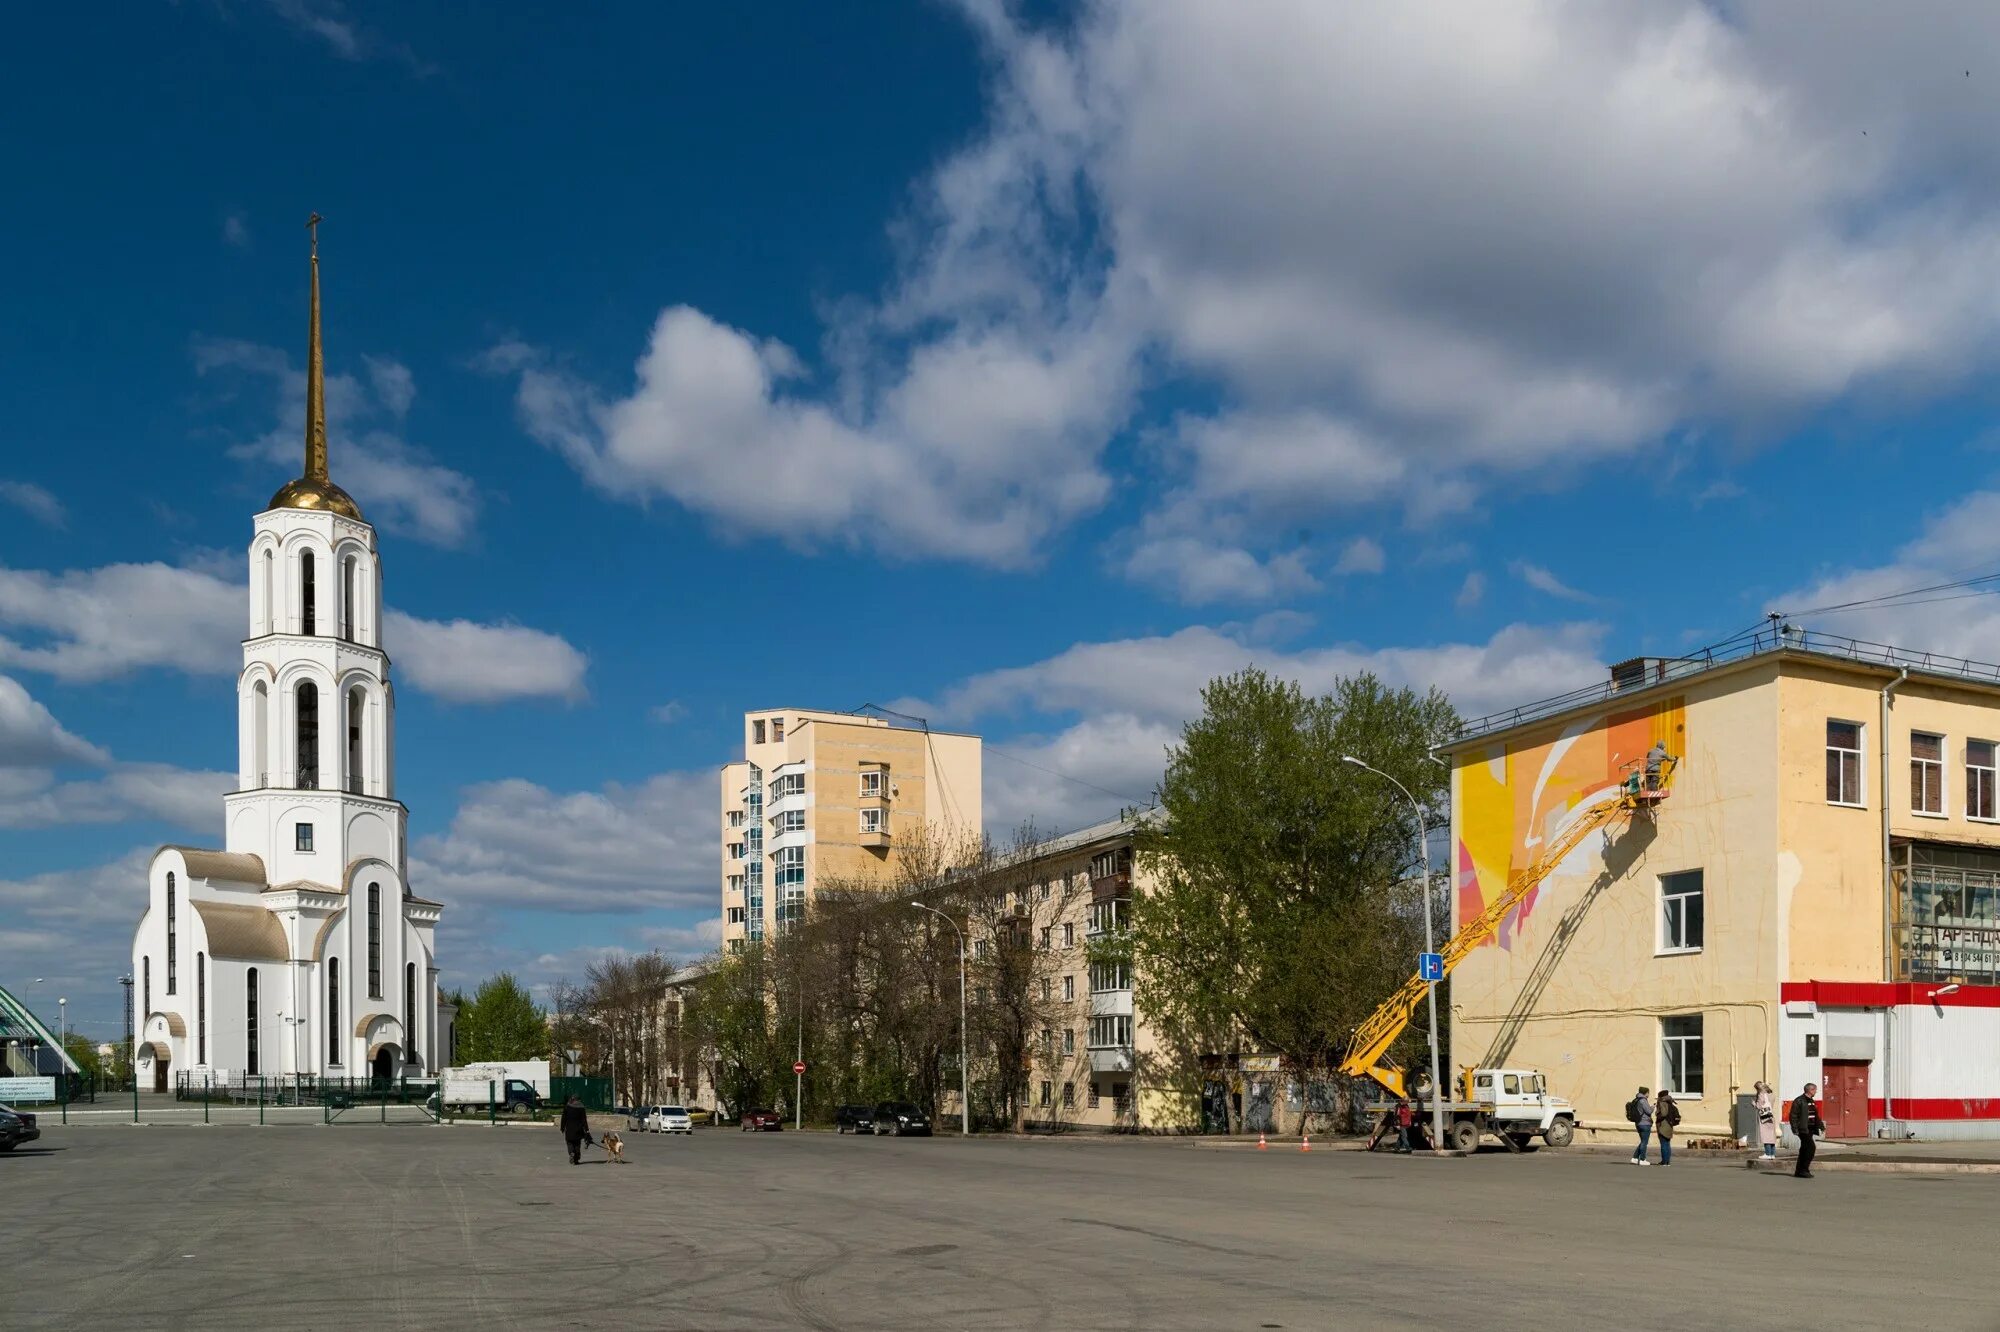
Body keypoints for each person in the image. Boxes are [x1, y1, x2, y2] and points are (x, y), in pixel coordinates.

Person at [1790, 1082, 1822, 1179]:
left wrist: (1820, 1125)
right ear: (1810, 1090)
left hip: (1811, 1128)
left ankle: (1799, 1171)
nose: (1816, 1091)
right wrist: (1795, 1128)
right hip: (1803, 1129)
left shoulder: (1811, 1101)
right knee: (1811, 1148)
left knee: (1804, 1149)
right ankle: (1804, 1169)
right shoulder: (1799, 1100)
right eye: (1815, 1090)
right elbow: (1793, 1115)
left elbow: (1815, 1115)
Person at [560, 1094, 591, 1166]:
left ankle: (571, 1153)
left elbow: (563, 1118)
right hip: (579, 1129)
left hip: (569, 1129)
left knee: (569, 1142)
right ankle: (576, 1159)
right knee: (577, 1144)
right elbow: (584, 1120)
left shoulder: (567, 1106)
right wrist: (587, 1130)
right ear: (579, 1100)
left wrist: (562, 1127)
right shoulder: (581, 1108)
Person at [1654, 1088, 1680, 1165]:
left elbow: (1664, 1113)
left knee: (1664, 1144)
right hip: (1669, 1125)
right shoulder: (1670, 1103)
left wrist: (1657, 1114)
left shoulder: (1662, 1103)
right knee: (1667, 1144)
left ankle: (1664, 1161)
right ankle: (1667, 1161)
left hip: (1663, 1125)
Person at [1629, 1085, 1654, 1166]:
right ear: (1645, 1093)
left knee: (1643, 1141)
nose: (1648, 1094)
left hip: (1638, 1123)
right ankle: (1643, 1159)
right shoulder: (1643, 1100)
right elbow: (1649, 1111)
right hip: (1645, 1123)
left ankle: (1635, 1158)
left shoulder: (1636, 1099)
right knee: (1644, 1142)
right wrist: (1653, 1107)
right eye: (1648, 1093)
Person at [1754, 1081, 1778, 1159]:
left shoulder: (1761, 1095)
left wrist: (1754, 1103)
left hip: (1764, 1116)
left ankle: (1767, 1154)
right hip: (1771, 1116)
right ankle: (1772, 1154)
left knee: (1766, 1135)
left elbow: (1759, 1106)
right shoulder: (1771, 1094)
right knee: (1771, 1135)